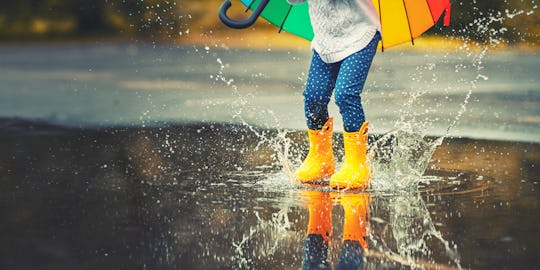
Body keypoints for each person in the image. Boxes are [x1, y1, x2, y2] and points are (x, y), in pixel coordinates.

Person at [287, 0, 381, 189]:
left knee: (346, 94)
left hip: (360, 33)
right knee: (314, 97)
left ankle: (357, 164)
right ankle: (321, 159)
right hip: (326, 40)